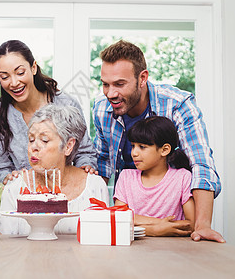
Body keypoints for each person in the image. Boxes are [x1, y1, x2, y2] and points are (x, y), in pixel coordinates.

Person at [93, 40, 225, 242]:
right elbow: (102, 165)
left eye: (120, 84)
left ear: (142, 78)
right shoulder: (102, 109)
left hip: (170, 217)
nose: (110, 93)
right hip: (129, 224)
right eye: (105, 84)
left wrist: (202, 225)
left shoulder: (178, 104)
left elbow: (201, 163)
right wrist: (99, 218)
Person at [0, 40, 97, 183]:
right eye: (5, 77)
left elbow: (84, 153)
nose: (13, 83)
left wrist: (85, 170)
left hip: (66, 192)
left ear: (33, 68)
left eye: (20, 72)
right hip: (23, 194)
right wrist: (8, 178)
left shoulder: (66, 104)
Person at [0, 104, 109, 235]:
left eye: (44, 140)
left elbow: (102, 240)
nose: (34, 147)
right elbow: (6, 246)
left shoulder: (94, 187)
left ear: (68, 146)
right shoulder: (15, 188)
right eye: (31, 139)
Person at [114, 116, 195, 236]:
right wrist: (156, 228)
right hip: (133, 250)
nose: (134, 153)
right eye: (132, 146)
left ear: (164, 150)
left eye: (142, 147)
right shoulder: (126, 177)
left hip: (175, 250)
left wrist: (135, 221)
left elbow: (190, 225)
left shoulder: (183, 177)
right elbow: (119, 219)